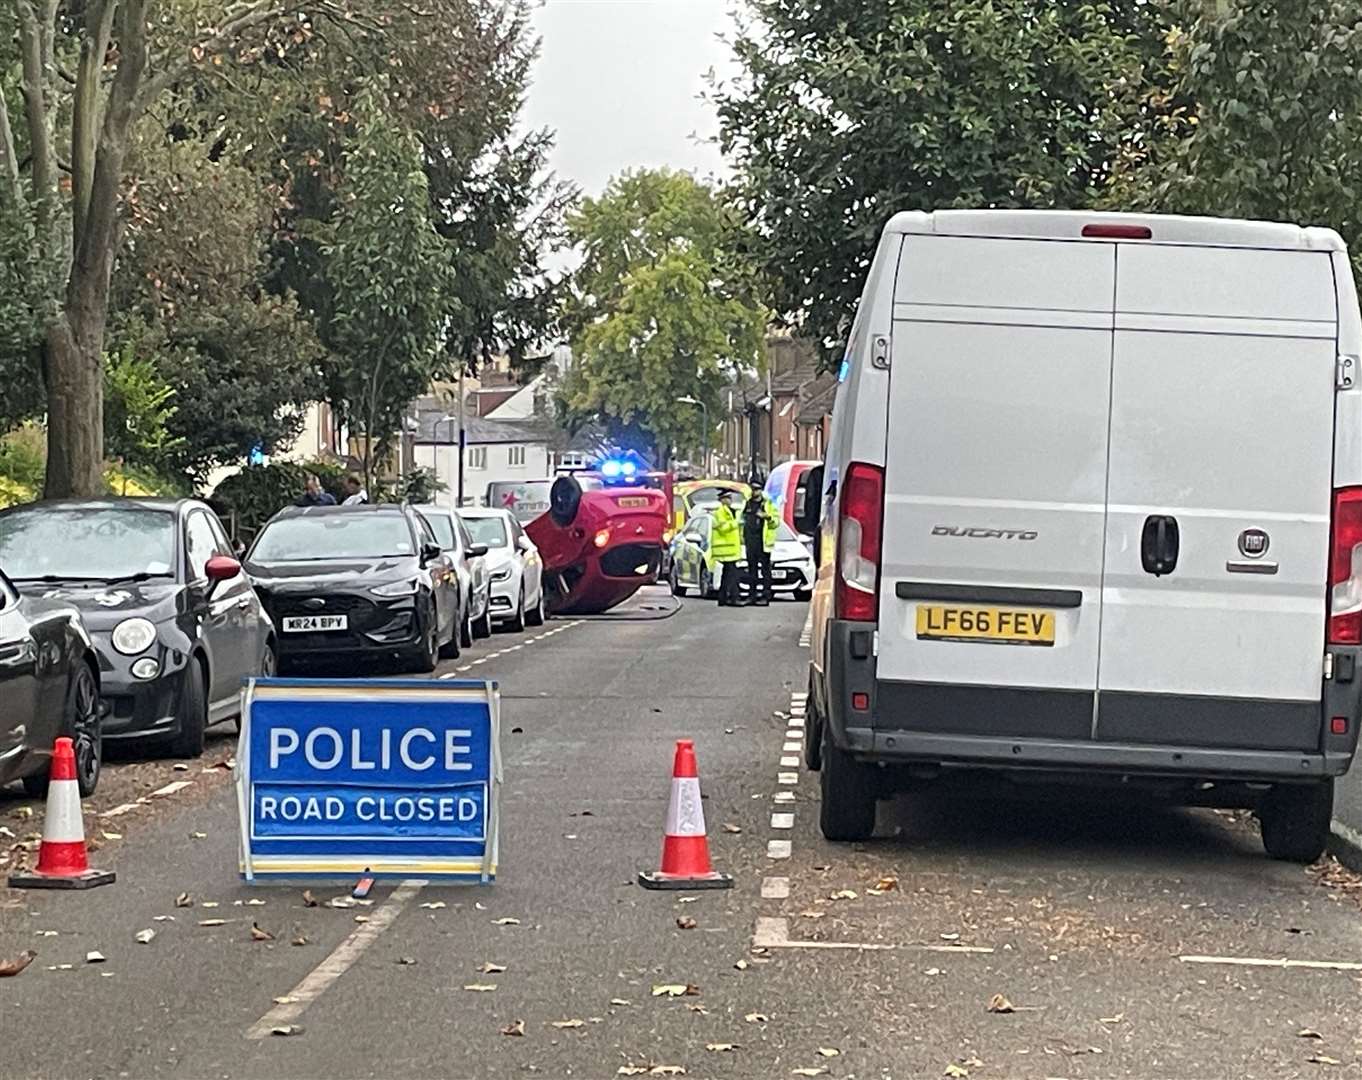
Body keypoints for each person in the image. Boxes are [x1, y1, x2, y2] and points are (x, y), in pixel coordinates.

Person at [743, 482, 779, 606]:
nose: (755, 492)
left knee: (765, 571)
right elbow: (742, 520)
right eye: (753, 489)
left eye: (757, 490)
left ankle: (765, 596)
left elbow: (776, 522)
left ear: (761, 491)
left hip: (763, 542)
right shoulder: (747, 504)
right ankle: (751, 596)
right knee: (752, 571)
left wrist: (767, 517)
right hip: (750, 542)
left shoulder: (768, 504)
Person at [710, 488, 743, 607]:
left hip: (731, 549)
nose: (729, 500)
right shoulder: (719, 512)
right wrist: (735, 523)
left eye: (730, 498)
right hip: (724, 549)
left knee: (727, 574)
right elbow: (723, 528)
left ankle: (722, 598)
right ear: (722, 500)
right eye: (727, 498)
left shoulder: (731, 511)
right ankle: (734, 598)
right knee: (732, 575)